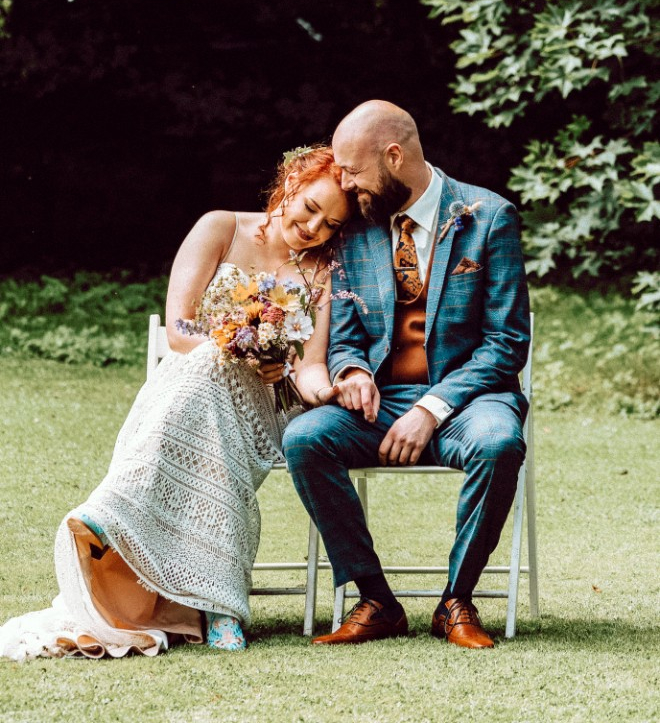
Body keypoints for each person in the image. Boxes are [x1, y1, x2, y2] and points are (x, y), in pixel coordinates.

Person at [0, 146, 351, 661]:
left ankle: (117, 512)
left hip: (266, 402)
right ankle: (218, 607)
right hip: (195, 373)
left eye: (331, 224)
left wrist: (321, 388)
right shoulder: (220, 227)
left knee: (210, 377)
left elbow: (312, 364)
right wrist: (238, 344)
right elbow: (181, 326)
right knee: (209, 366)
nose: (315, 227)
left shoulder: (324, 271)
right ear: (292, 184)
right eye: (312, 208)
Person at [286, 101, 531, 649]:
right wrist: (351, 370)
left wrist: (431, 408)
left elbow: (507, 343)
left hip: (471, 402)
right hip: (381, 403)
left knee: (498, 443)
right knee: (304, 438)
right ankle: (375, 600)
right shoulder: (358, 229)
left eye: (352, 170)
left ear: (394, 156)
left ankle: (456, 601)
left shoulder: (488, 217)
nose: (344, 186)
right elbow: (346, 328)